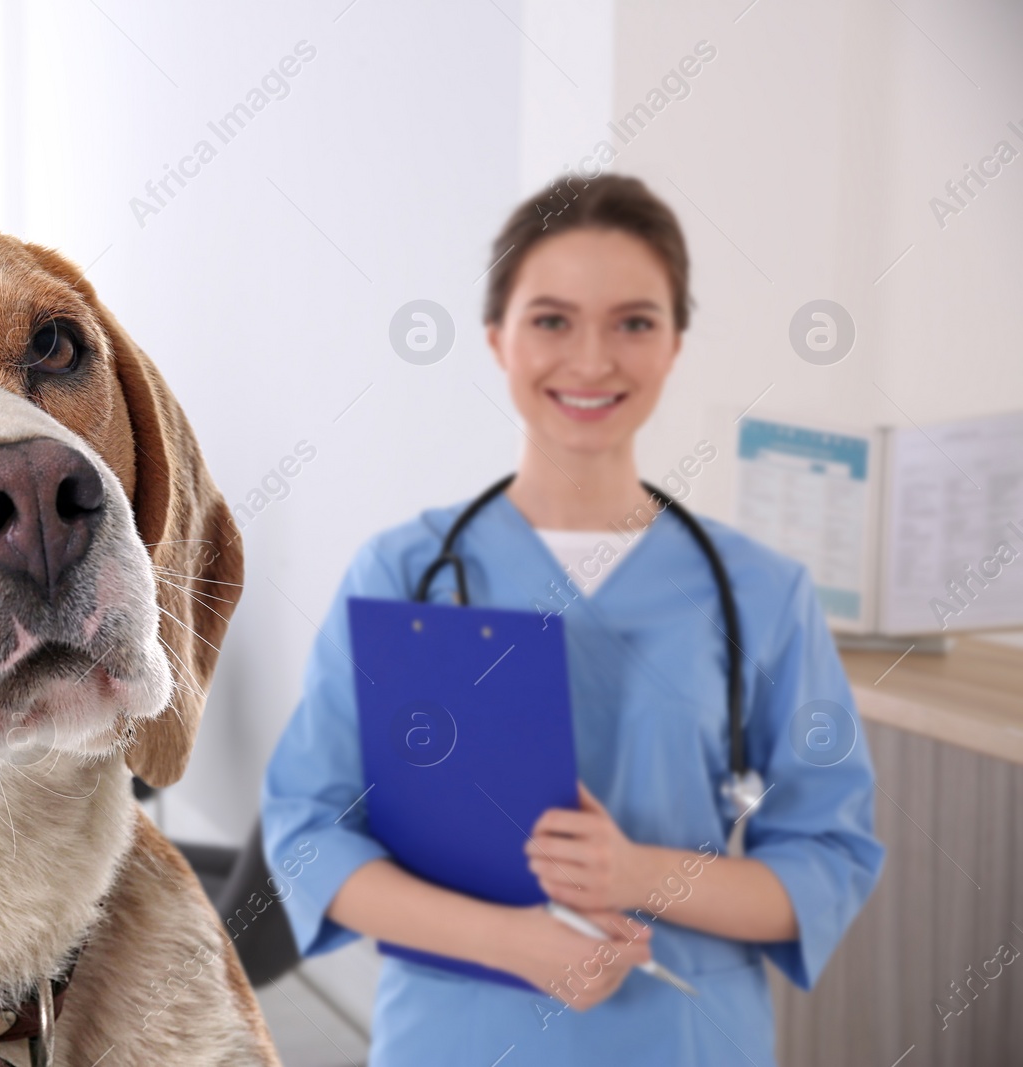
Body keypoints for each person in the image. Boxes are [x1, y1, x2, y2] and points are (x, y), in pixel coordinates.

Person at [258, 174, 884, 1066]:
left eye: (634, 322)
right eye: (552, 319)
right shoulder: (405, 571)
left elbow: (828, 862)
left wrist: (640, 876)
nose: (592, 361)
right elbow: (308, 831)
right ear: (496, 340)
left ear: (674, 345)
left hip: (685, 1034)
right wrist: (507, 941)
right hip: (458, 1033)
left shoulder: (764, 592)